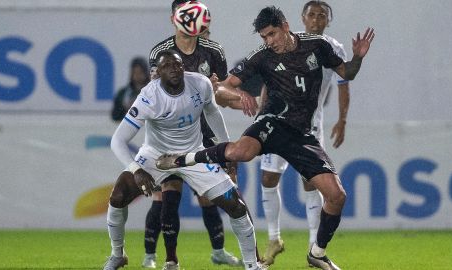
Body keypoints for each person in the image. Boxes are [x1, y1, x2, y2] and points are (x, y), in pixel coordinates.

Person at [156, 6, 374, 270]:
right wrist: (241, 95)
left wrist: (358, 57)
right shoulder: (262, 56)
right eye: (263, 37)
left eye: (271, 34)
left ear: (284, 26)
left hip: (303, 134)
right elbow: (223, 84)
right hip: (272, 123)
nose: (268, 42)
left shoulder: (317, 46)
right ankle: (182, 159)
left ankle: (317, 252)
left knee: (337, 196)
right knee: (240, 153)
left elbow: (347, 73)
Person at [103, 50, 264, 270]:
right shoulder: (149, 96)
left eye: (178, 64)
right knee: (119, 195)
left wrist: (226, 149)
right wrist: (136, 170)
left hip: (193, 156)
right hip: (155, 155)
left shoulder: (200, 83)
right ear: (158, 73)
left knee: (236, 205)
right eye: (167, 66)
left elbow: (213, 113)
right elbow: (118, 141)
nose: (174, 69)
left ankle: (252, 265)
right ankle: (117, 254)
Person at [142, 1, 242, 268]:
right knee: (168, 195)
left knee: (213, 197)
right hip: (172, 136)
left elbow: (218, 95)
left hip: (205, 135)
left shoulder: (213, 51)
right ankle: (167, 258)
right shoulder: (160, 53)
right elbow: (156, 96)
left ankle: (223, 251)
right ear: (174, 18)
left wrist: (232, 95)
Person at [259, 1, 350, 266]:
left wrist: (342, 120)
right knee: (267, 178)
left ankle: (313, 244)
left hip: (311, 124)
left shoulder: (334, 48)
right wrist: (262, 111)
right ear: (303, 18)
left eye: (322, 15)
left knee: (312, 181)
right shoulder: (289, 42)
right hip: (277, 120)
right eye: (312, 14)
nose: (317, 19)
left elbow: (344, 85)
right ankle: (274, 237)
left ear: (328, 21)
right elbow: (270, 79)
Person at [111, 57, 150, 122]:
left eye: (140, 73)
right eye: (135, 73)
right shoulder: (123, 94)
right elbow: (115, 116)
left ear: (146, 73)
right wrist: (125, 109)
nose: (138, 76)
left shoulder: (153, 92)